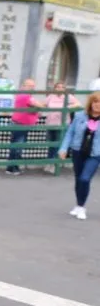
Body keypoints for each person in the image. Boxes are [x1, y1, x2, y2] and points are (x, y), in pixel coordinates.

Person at [58, 91, 100, 220]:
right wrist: (63, 148)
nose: (97, 104)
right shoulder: (79, 115)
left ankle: (81, 207)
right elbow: (70, 133)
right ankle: (78, 204)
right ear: (91, 103)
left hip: (95, 154)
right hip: (78, 151)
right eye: (95, 101)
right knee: (78, 179)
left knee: (85, 179)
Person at [6, 78, 45, 175]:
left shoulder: (22, 95)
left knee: (15, 146)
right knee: (18, 147)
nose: (32, 88)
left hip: (20, 123)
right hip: (20, 124)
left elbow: (33, 107)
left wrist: (36, 109)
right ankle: (14, 168)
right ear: (24, 86)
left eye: (33, 86)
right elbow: (40, 105)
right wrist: (40, 106)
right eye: (29, 86)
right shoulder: (25, 96)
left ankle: (11, 168)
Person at [43, 81, 81, 173]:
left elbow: (78, 104)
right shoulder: (51, 96)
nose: (60, 88)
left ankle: (55, 164)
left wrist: (68, 107)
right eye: (58, 87)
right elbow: (43, 104)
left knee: (58, 145)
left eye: (62, 87)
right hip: (50, 123)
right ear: (54, 88)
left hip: (62, 124)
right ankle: (49, 162)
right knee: (51, 145)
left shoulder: (68, 96)